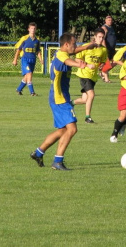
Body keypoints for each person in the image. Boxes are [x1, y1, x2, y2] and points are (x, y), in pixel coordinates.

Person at [30, 33, 95, 170]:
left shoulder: (62, 52)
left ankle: (38, 152)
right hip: (60, 97)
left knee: (63, 130)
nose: (75, 46)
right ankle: (57, 162)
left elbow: (73, 53)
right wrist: (80, 64)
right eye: (73, 44)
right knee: (72, 129)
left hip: (57, 96)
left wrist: (89, 46)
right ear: (66, 45)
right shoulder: (62, 56)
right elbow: (68, 61)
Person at [71, 28, 107, 123]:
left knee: (85, 99)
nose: (101, 39)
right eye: (99, 37)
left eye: (103, 37)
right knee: (91, 94)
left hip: (93, 77)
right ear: (94, 37)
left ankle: (70, 103)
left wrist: (101, 66)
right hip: (84, 74)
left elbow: (102, 61)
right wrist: (87, 65)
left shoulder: (103, 50)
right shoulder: (86, 46)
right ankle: (88, 117)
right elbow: (77, 59)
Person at [12, 22, 44, 96]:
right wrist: (15, 59)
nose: (33, 30)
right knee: (29, 74)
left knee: (27, 76)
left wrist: (41, 60)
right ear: (28, 29)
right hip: (25, 59)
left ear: (36, 30)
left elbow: (38, 51)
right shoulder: (24, 38)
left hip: (33, 60)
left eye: (34, 28)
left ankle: (19, 89)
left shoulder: (37, 40)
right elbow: (18, 50)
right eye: (31, 28)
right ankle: (32, 92)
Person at [100, 15, 117, 83]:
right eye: (108, 20)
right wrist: (105, 48)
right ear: (105, 20)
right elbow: (103, 38)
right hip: (107, 48)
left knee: (116, 61)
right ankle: (106, 79)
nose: (110, 21)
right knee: (106, 63)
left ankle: (103, 72)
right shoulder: (104, 28)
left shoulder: (111, 28)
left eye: (111, 20)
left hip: (112, 48)